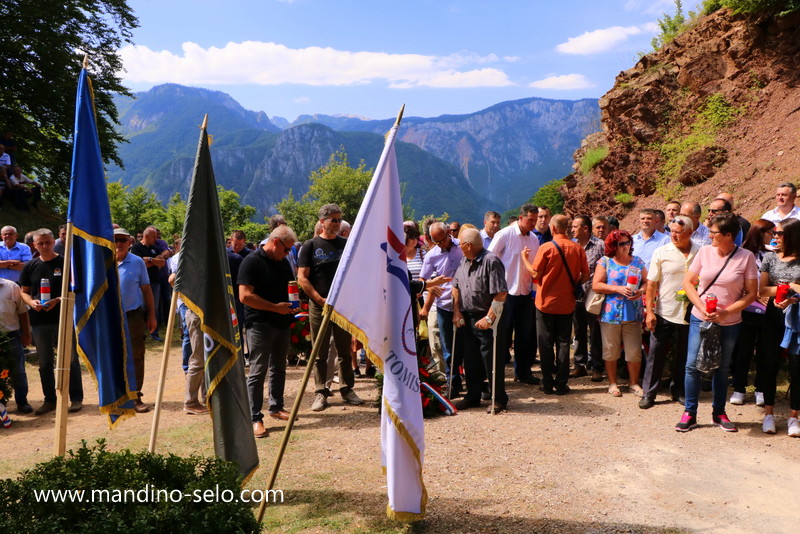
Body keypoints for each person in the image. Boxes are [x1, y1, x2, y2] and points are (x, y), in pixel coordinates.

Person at [676, 213, 758, 432]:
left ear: (728, 235)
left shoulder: (746, 257)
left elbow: (751, 293)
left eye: (714, 232)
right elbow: (688, 282)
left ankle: (718, 412)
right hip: (700, 318)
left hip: (730, 322)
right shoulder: (704, 252)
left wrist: (726, 312)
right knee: (692, 365)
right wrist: (701, 307)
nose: (710, 235)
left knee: (721, 368)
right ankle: (690, 413)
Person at [298, 204, 364, 412]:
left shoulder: (346, 244)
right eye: (333, 220)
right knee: (320, 350)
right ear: (322, 221)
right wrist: (318, 299)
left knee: (345, 350)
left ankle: (347, 389)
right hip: (319, 307)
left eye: (339, 219)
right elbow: (302, 278)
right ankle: (321, 391)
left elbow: (356, 272)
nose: (336, 223)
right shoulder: (310, 245)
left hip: (342, 306)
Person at [239, 225, 299, 437]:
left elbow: (289, 288)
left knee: (279, 367)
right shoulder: (251, 262)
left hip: (281, 323)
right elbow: (245, 296)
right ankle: (254, 417)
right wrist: (275, 307)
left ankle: (276, 407)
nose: (288, 254)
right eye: (286, 249)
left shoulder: (282, 262)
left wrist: (294, 304)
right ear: (276, 242)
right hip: (260, 324)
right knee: (258, 371)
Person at [19, 229, 84, 415]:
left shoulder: (65, 263)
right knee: (45, 362)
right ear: (35, 245)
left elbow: (76, 290)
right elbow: (23, 291)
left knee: (70, 359)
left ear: (53, 241)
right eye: (41, 243)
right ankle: (50, 400)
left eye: (48, 242)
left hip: (63, 318)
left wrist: (58, 300)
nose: (45, 246)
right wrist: (31, 302)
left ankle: (76, 398)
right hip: (39, 320)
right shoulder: (30, 266)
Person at [523, 215, 589, 395]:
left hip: (545, 303)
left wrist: (524, 259)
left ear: (552, 228)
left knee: (545, 344)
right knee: (563, 343)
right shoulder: (577, 249)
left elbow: (535, 274)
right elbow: (586, 274)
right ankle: (561, 384)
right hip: (567, 302)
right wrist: (575, 283)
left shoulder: (546, 248)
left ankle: (547, 383)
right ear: (566, 228)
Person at [641, 216, 699, 409]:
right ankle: (649, 393)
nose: (673, 235)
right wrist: (649, 312)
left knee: (683, 355)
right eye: (671, 231)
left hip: (690, 312)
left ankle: (679, 390)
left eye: (678, 232)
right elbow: (651, 284)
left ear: (690, 233)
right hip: (664, 311)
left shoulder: (701, 252)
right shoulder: (661, 252)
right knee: (656, 354)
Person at [451, 228, 508, 413]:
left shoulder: (491, 261)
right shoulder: (464, 261)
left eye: (460, 244)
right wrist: (457, 312)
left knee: (491, 360)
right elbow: (456, 287)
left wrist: (489, 318)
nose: (459, 247)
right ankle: (472, 396)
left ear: (468, 245)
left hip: (487, 317)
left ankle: (498, 399)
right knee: (471, 359)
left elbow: (500, 293)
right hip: (467, 318)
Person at [488, 203, 540, 386]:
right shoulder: (505, 234)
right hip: (505, 292)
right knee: (501, 336)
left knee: (524, 335)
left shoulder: (534, 239)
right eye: (530, 220)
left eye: (535, 220)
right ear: (521, 218)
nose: (533, 223)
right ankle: (497, 376)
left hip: (525, 292)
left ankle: (523, 372)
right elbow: (489, 259)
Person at [757, 218, 800, 435]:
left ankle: (794, 416)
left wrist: (793, 294)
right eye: (774, 232)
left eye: (779, 233)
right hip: (773, 315)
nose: (775, 236)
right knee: (769, 364)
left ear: (792, 235)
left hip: (797, 317)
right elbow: (762, 290)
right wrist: (784, 291)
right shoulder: (770, 258)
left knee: (797, 367)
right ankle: (769, 413)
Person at [592, 229, 647, 398]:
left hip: (633, 312)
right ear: (613, 246)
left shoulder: (637, 262)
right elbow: (596, 285)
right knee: (610, 350)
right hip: (610, 313)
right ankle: (612, 383)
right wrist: (617, 289)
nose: (626, 246)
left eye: (628, 242)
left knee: (634, 350)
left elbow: (647, 282)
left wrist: (640, 292)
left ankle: (633, 383)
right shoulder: (605, 261)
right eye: (621, 243)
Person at [729, 219, 774, 407]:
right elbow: (736, 281)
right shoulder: (742, 254)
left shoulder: (773, 255)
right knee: (743, 350)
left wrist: (768, 295)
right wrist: (755, 296)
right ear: (760, 232)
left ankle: (761, 388)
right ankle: (739, 388)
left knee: (764, 350)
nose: (773, 237)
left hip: (768, 310)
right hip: (747, 309)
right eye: (771, 233)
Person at [114, 228, 157, 413]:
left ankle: (135, 396)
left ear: (130, 242)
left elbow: (146, 289)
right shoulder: (103, 262)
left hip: (133, 316)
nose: (119, 243)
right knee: (114, 357)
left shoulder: (137, 262)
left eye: (123, 240)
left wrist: (152, 315)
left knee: (136, 356)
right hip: (110, 317)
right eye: (115, 239)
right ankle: (116, 397)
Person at [420, 221, 464, 397]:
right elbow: (423, 281)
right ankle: (452, 384)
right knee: (447, 348)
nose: (441, 244)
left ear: (448, 234)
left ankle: (475, 382)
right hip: (445, 305)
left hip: (466, 303)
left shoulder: (462, 246)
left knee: (468, 345)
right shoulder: (431, 255)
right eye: (436, 242)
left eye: (443, 240)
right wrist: (431, 286)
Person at [570, 215, 605, 380]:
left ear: (585, 228)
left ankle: (597, 367)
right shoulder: (572, 245)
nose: (572, 230)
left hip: (594, 295)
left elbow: (608, 267)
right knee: (578, 331)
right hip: (576, 295)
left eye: (575, 226)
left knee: (596, 332)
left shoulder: (600, 245)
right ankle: (580, 365)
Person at [0, 276, 32, 413]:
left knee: (18, 371)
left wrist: (26, 334)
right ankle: (1, 406)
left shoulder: (11, 286)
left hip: (11, 335)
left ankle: (22, 402)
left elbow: (23, 312)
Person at [130, 227, 167, 342]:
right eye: (154, 236)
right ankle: (141, 333)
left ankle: (154, 333)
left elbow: (162, 263)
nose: (156, 239)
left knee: (153, 308)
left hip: (155, 282)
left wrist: (149, 259)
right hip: (141, 284)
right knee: (141, 307)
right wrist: (153, 261)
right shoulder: (136, 248)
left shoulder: (155, 248)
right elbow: (140, 265)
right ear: (147, 236)